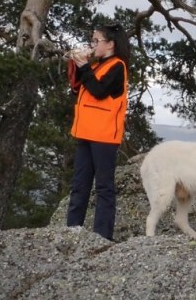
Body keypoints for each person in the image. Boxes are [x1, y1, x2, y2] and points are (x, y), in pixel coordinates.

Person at [66, 23, 130, 241]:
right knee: (79, 184)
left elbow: (100, 91)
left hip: (104, 136)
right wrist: (77, 65)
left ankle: (102, 236)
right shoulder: (96, 66)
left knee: (104, 187)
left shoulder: (117, 66)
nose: (92, 45)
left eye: (96, 41)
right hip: (85, 132)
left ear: (110, 44)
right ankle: (72, 230)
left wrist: (84, 66)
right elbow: (77, 89)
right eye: (92, 41)